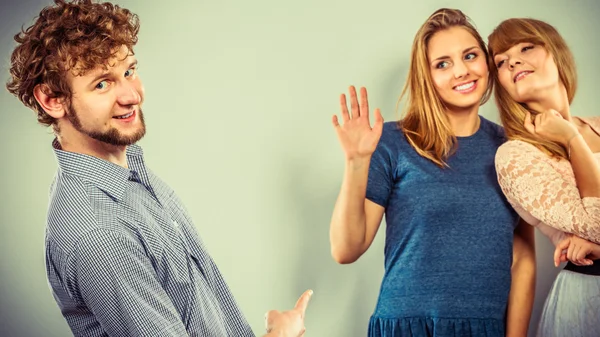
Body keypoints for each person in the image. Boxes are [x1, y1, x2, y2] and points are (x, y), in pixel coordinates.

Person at [5, 0, 311, 336]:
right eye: (101, 84)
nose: (131, 95)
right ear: (52, 100)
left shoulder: (128, 173)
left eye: (129, 71)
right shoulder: (99, 233)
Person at [329, 8, 535, 337]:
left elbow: (522, 258)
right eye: (443, 64)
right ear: (427, 76)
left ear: (485, 61)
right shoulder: (393, 143)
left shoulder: (513, 150)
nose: (461, 71)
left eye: (470, 56)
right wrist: (356, 162)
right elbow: (345, 249)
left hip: (483, 328)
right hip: (406, 327)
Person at [488, 17, 600, 337]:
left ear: (557, 53)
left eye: (526, 47)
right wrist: (570, 139)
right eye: (502, 61)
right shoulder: (515, 157)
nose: (514, 61)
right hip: (590, 300)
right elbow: (596, 222)